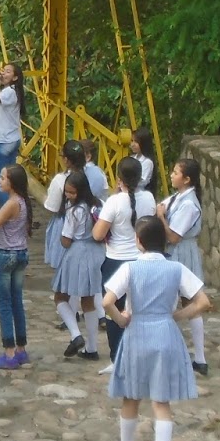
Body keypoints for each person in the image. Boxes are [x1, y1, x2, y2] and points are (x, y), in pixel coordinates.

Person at [103, 215, 212, 441]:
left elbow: (107, 301)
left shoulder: (130, 268)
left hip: (137, 334)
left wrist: (121, 320)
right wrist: (176, 316)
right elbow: (203, 302)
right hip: (165, 333)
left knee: (131, 396)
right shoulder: (176, 268)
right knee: (161, 402)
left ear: (139, 241)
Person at [93, 156, 157, 368]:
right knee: (140, 310)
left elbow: (98, 234)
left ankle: (117, 358)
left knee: (114, 312)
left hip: (116, 261)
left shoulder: (115, 202)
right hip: (142, 259)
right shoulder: (149, 198)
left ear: (119, 178)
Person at [0, 162, 31, 369]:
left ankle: (9, 353)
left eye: (2, 178)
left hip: (6, 255)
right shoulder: (22, 201)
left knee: (5, 303)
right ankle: (21, 349)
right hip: (21, 253)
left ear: (13, 182)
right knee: (17, 300)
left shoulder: (11, 203)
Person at [51, 168, 104, 360]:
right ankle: (92, 348)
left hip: (77, 253)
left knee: (60, 296)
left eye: (72, 192)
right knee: (88, 300)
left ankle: (75, 334)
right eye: (66, 191)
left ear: (80, 191)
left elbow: (66, 240)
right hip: (96, 252)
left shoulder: (74, 211)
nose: (68, 195)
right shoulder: (98, 205)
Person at [162, 157, 208, 376]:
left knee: (185, 302)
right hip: (178, 252)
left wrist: (161, 218)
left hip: (181, 253)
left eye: (176, 173)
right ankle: (192, 356)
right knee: (183, 301)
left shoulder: (189, 204)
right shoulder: (178, 197)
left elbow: (174, 236)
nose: (172, 175)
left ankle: (198, 356)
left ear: (187, 179)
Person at [42, 140, 88, 275]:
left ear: (66, 160)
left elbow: (52, 207)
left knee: (61, 264)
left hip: (64, 222)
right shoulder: (90, 175)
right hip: (86, 222)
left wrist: (45, 199)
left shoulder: (60, 179)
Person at [0, 62, 23, 203]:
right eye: (4, 70)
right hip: (13, 139)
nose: (4, 73)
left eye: (8, 72)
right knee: (11, 178)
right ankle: (14, 206)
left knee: (1, 180)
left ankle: (5, 209)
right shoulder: (14, 91)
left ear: (15, 77)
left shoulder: (9, 92)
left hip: (3, 141)